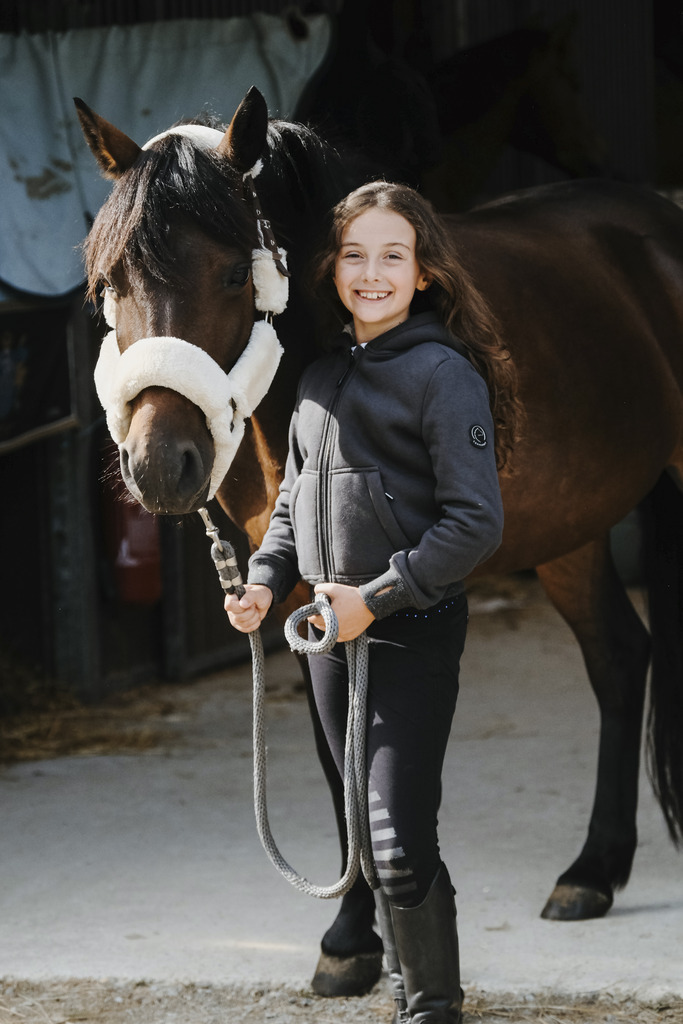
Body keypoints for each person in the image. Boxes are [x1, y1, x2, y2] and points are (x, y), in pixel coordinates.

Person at [225, 181, 520, 1023]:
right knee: (362, 827)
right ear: (331, 269)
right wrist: (262, 580)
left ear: (424, 272)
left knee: (395, 837)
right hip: (328, 640)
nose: (372, 273)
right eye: (354, 255)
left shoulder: (442, 375)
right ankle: (405, 994)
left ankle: (432, 1008)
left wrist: (377, 597)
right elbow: (291, 506)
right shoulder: (318, 378)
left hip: (409, 632)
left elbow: (475, 524)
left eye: (393, 255)